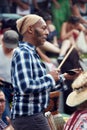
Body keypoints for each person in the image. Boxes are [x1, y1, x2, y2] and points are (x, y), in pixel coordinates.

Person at [10, 14, 81, 130]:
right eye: (43, 28)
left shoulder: (31, 53)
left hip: (32, 116)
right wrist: (50, 78)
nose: (47, 32)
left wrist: (64, 77)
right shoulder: (23, 53)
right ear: (30, 29)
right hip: (29, 116)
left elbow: (39, 85)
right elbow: (25, 87)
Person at [0, 30, 19, 124]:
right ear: (3, 42)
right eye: (8, 46)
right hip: (2, 88)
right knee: (6, 118)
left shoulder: (17, 53)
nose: (10, 49)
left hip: (15, 88)